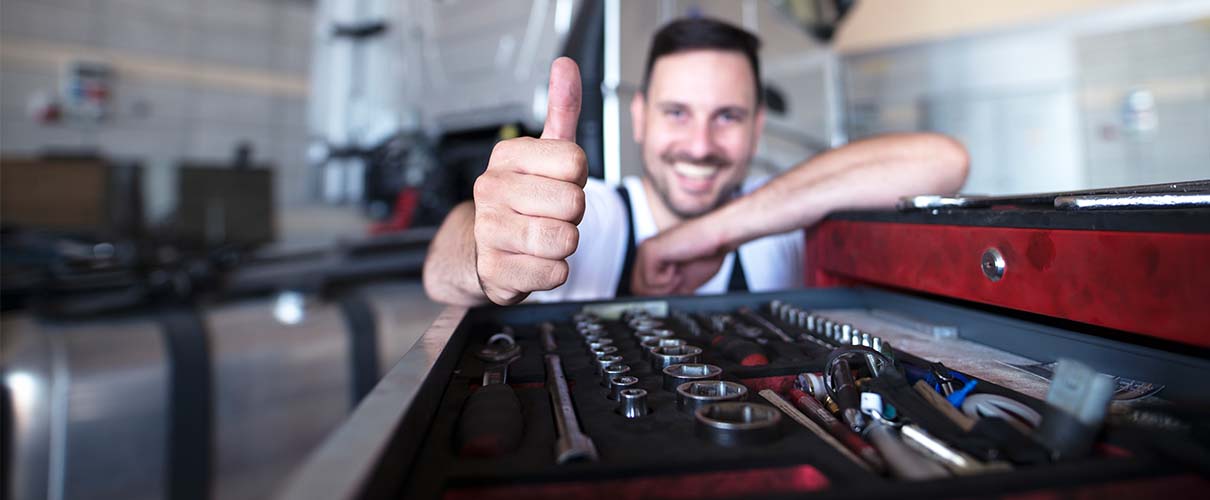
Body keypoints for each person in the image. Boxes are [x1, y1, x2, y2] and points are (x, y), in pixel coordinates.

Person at [424, 17, 969, 306]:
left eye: (728, 116)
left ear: (758, 127)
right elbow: (440, 271)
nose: (701, 145)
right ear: (639, 119)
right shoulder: (595, 216)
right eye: (677, 112)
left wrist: (705, 235)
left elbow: (943, 161)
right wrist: (482, 255)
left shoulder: (775, 218)